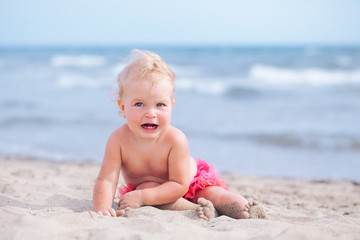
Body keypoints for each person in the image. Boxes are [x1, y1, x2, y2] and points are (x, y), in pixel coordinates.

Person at [93, 49, 266, 220]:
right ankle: (197, 210)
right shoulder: (118, 140)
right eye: (139, 104)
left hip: (188, 183)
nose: (151, 113)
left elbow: (179, 185)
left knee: (214, 194)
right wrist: (103, 209)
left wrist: (144, 197)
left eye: (160, 104)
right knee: (146, 187)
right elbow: (106, 181)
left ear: (171, 106)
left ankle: (245, 209)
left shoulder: (175, 139)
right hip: (152, 190)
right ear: (123, 108)